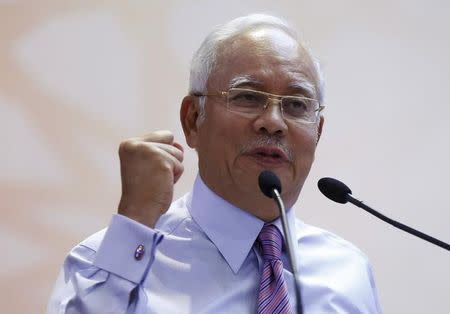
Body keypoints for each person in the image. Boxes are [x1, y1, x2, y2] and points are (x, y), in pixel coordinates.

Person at [47, 14, 382, 314]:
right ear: (193, 120)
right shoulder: (109, 265)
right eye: (248, 96)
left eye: (296, 104)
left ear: (318, 132)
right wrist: (134, 221)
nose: (273, 122)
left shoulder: (348, 271)